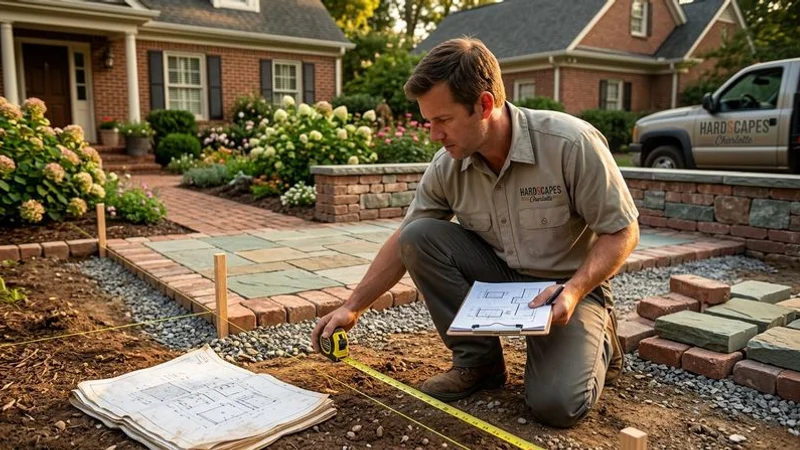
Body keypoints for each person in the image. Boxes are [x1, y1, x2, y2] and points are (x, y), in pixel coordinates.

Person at [312, 37, 640, 429]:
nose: (433, 134)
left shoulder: (570, 144)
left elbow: (623, 232)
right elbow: (405, 242)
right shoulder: (447, 165)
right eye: (428, 121)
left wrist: (574, 290)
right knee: (418, 236)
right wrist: (353, 306)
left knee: (556, 406)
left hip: (563, 287)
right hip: (501, 277)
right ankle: (479, 364)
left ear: (484, 105)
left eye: (443, 120)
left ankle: (600, 335)